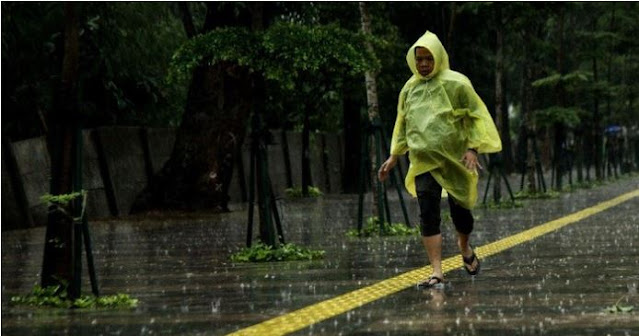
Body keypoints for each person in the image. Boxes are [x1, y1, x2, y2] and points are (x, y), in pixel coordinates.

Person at [378, 31, 502, 288]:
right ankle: (437, 271)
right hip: (423, 161)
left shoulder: (457, 84)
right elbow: (402, 124)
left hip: (456, 160)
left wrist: (472, 149)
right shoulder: (409, 89)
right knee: (428, 213)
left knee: (462, 214)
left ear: (438, 58)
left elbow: (476, 115)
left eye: (428, 59)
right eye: (419, 59)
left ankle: (464, 246)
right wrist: (393, 157)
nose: (423, 64)